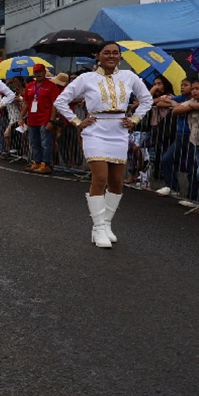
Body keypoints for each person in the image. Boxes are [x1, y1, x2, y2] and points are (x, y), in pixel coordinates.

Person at [53, 42, 153, 249]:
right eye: (106, 53)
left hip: (119, 132)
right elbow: (61, 101)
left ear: (120, 56)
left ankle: (106, 224)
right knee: (100, 178)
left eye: (115, 53)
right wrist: (78, 122)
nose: (111, 56)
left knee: (116, 182)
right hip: (95, 131)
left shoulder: (129, 76)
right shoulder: (86, 78)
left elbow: (147, 99)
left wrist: (134, 119)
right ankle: (98, 228)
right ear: (97, 55)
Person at [19, 63, 62, 174]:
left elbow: (55, 104)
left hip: (45, 119)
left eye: (40, 72)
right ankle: (37, 162)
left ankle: (46, 164)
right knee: (34, 142)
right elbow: (26, 103)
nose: (38, 74)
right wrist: (21, 117)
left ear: (44, 72)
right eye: (36, 72)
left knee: (45, 143)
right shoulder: (29, 86)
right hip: (32, 120)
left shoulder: (51, 86)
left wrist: (52, 120)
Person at [155, 79, 194, 197]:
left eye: (186, 85)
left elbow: (180, 109)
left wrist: (178, 105)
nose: (182, 87)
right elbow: (159, 104)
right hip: (181, 134)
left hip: (192, 135)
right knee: (167, 159)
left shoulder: (194, 101)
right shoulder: (181, 98)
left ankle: (192, 196)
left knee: (192, 165)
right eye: (181, 85)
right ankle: (172, 186)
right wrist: (173, 103)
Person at [170, 80, 199, 205]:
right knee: (194, 170)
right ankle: (194, 199)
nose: (194, 91)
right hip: (195, 141)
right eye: (193, 89)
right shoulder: (191, 101)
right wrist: (191, 106)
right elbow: (175, 110)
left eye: (197, 89)